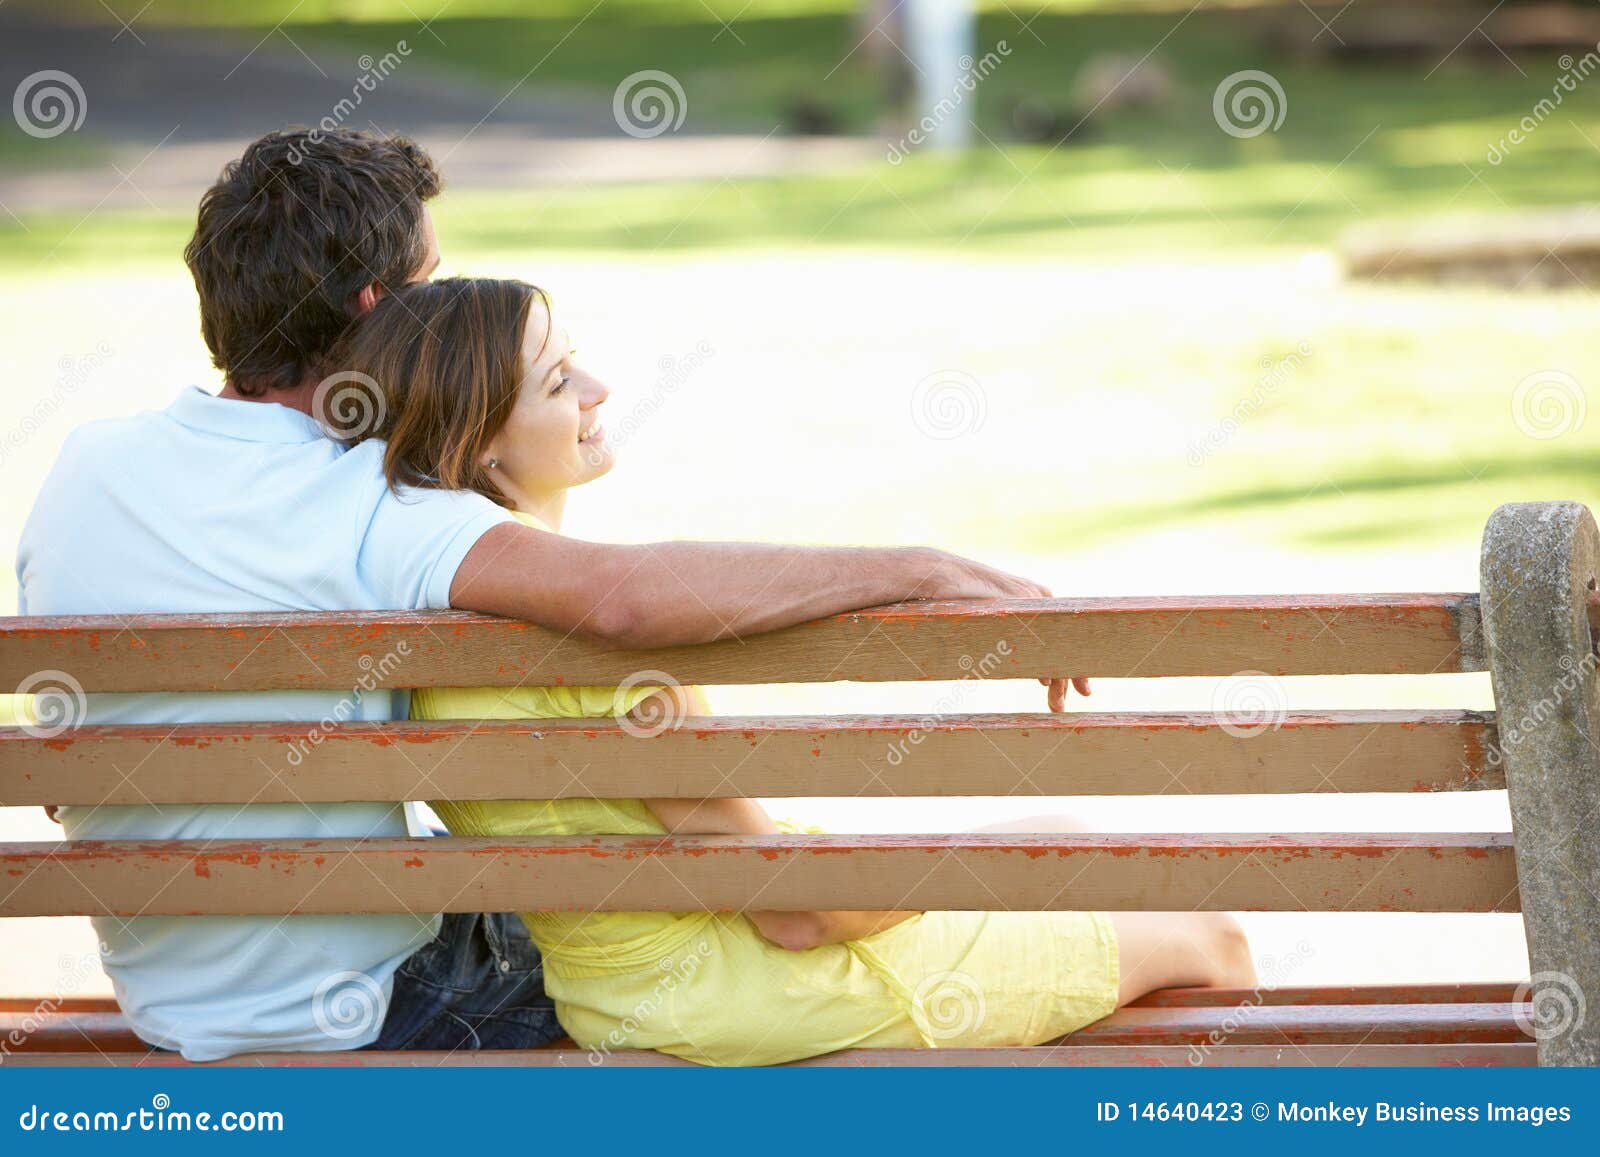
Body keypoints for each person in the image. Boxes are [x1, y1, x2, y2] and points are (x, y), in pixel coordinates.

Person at [12, 128, 1109, 1062]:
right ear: (379, 305)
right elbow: (623, 596)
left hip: (171, 1001)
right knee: (717, 935)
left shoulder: (88, 467)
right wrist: (914, 569)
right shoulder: (366, 502)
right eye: (436, 282)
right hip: (375, 1011)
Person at [326, 275, 1259, 1065]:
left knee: (1076, 836)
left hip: (622, 985)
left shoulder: (435, 618)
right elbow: (802, 916)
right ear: (483, 438)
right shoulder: (602, 641)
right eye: (561, 379)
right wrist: (993, 864)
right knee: (1206, 933)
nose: (602, 386)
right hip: (745, 993)